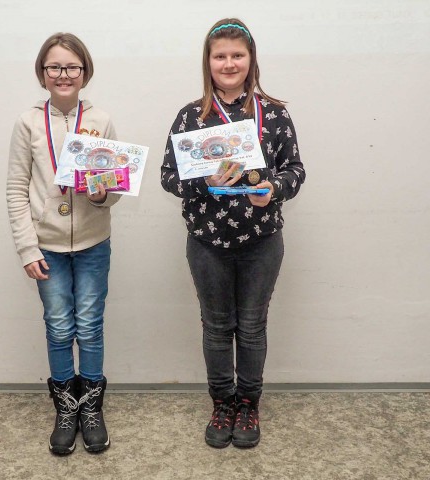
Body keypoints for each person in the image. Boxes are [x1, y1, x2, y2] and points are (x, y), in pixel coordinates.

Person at [160, 18, 306, 449]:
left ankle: (248, 404)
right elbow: (168, 176)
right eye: (220, 56)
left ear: (250, 59)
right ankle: (222, 403)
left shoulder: (273, 113)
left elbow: (295, 170)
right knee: (217, 326)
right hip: (208, 242)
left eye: (237, 55)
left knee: (253, 326)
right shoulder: (191, 116)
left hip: (262, 241)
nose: (229, 63)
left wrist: (273, 190)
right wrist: (203, 180)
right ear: (208, 62)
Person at [6, 32, 119, 455]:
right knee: (58, 327)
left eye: (72, 66)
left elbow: (114, 186)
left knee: (89, 326)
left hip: (93, 243)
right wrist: (26, 247)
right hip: (47, 246)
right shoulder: (27, 122)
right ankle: (65, 409)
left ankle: (91, 409)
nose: (63, 74)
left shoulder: (101, 120)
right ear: (42, 73)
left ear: (85, 72)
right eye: (54, 66)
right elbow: (16, 189)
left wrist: (101, 194)